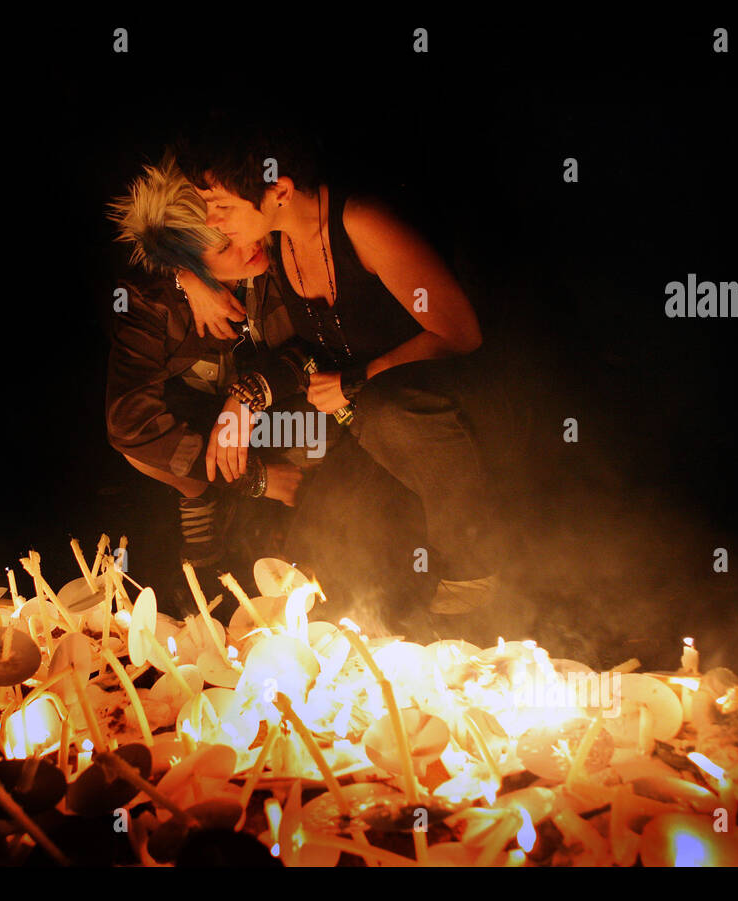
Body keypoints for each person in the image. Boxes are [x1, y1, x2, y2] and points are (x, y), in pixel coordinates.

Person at [173, 118, 499, 615]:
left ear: (279, 189)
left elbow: (460, 334)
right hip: (371, 422)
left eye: (221, 206)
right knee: (315, 553)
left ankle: (478, 574)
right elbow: (311, 350)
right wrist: (245, 400)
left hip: (445, 411)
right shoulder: (278, 246)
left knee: (388, 414)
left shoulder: (361, 223)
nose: (212, 220)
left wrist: (357, 380)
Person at [105, 156, 317, 570]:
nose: (249, 244)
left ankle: (302, 523)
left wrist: (252, 393)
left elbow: (319, 349)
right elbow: (127, 420)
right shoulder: (153, 302)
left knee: (315, 521)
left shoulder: (281, 257)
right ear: (186, 262)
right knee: (139, 447)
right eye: (223, 247)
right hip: (206, 429)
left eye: (231, 232)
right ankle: (202, 496)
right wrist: (254, 479)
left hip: (281, 413)